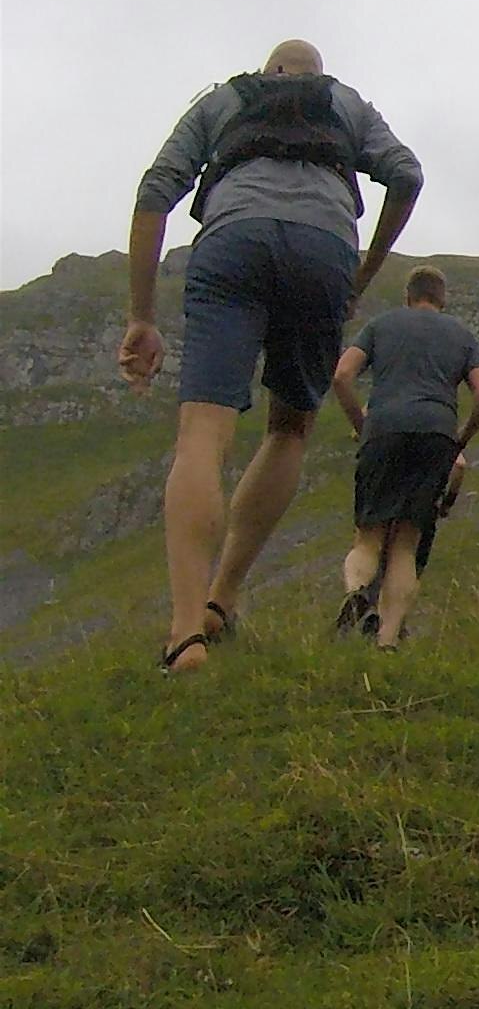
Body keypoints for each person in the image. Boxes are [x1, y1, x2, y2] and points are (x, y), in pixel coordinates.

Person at [115, 40, 422, 673]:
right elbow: (407, 174)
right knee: (289, 429)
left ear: (269, 71)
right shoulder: (347, 104)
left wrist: (142, 315)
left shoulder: (223, 99)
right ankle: (221, 600)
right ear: (317, 73)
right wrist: (362, 273)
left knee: (203, 432)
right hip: (323, 251)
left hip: (232, 241)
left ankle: (183, 634)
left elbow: (155, 192)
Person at [330, 266, 479, 649]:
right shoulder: (462, 336)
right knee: (407, 542)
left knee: (368, 536)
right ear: (442, 298)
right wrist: (460, 439)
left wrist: (362, 424)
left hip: (383, 430)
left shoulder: (381, 325)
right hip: (436, 434)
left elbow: (341, 376)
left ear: (408, 295)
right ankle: (388, 641)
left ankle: (357, 591)